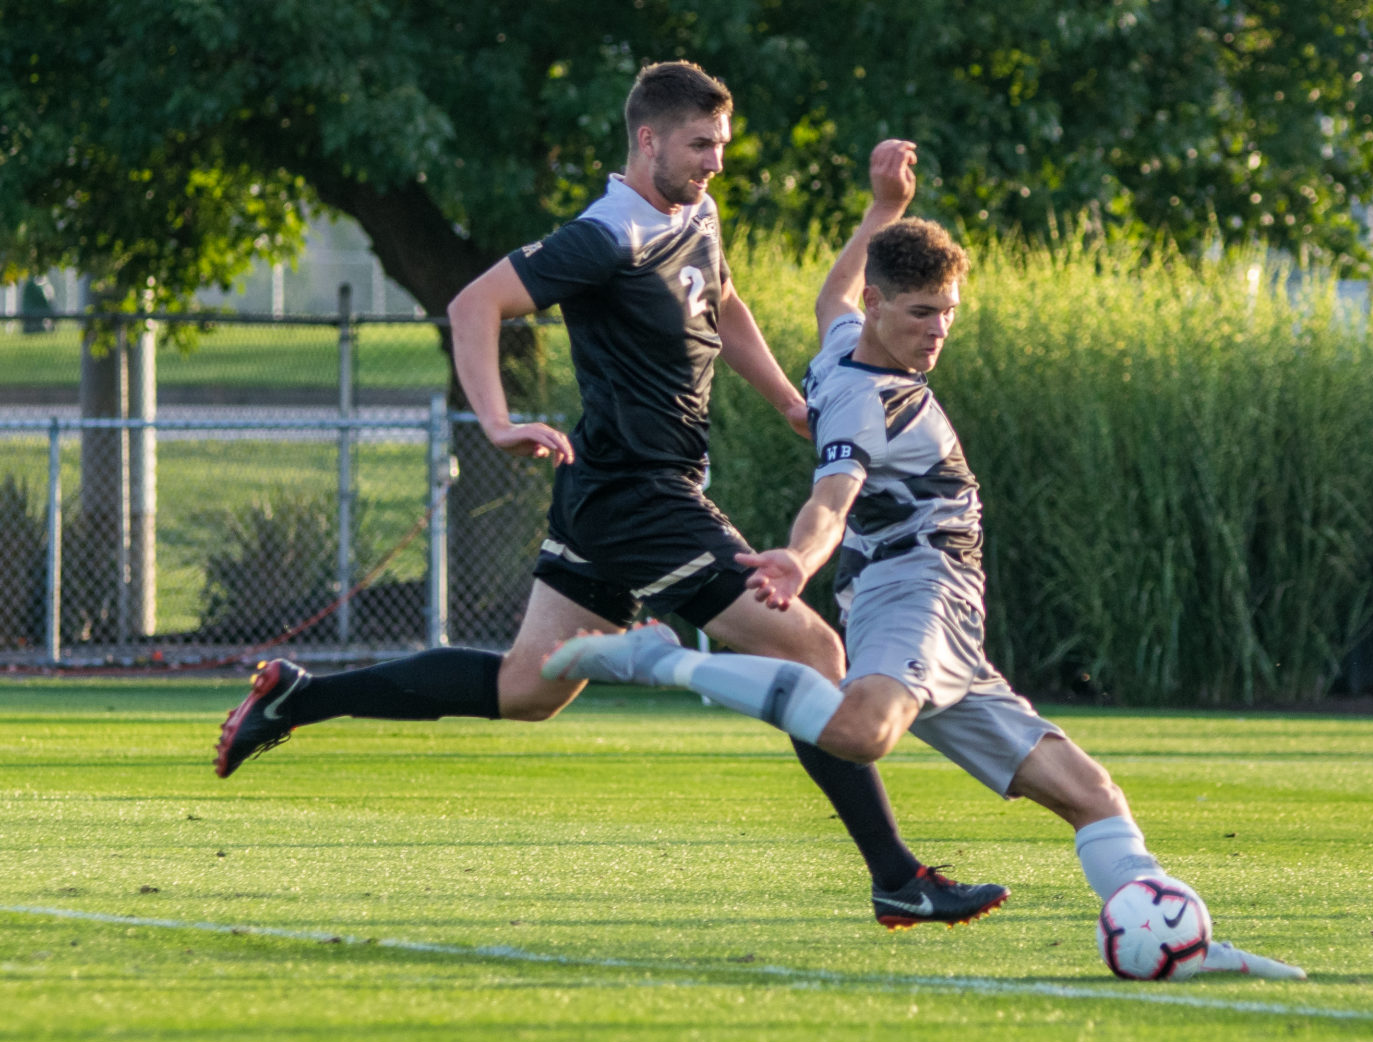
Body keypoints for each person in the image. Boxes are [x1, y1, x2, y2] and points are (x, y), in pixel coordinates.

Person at [213, 62, 1009, 928]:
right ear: (648, 139)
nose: (714, 161)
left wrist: (786, 397)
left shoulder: (694, 212)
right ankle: (896, 875)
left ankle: (298, 694)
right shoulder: (609, 234)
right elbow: (473, 303)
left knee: (528, 688)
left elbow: (724, 300)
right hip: (641, 498)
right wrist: (498, 420)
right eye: (700, 145)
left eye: (722, 145)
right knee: (813, 652)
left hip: (612, 493)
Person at [543, 139, 1306, 979]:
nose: (937, 330)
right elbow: (830, 500)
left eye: (946, 311)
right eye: (919, 313)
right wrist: (798, 560)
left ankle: (1180, 946)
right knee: (864, 732)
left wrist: (884, 210)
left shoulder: (840, 340)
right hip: (917, 590)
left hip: (953, 628)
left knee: (1090, 792)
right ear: (881, 307)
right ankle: (663, 662)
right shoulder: (867, 406)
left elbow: (832, 290)